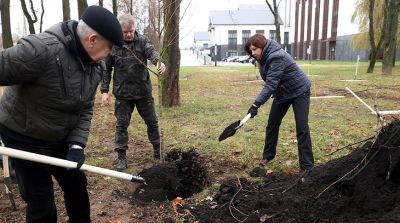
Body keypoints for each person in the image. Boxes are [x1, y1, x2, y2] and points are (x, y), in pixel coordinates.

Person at [0, 6, 123, 223]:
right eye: (110, 47)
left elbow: (85, 108)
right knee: (42, 207)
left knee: (77, 188)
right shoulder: (40, 50)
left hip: (62, 137)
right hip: (24, 138)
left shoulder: (96, 66)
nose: (110, 54)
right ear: (92, 39)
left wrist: (76, 145)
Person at [101, 14, 166, 171]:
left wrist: (158, 61)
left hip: (143, 91)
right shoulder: (113, 45)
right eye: (125, 32)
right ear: (120, 30)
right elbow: (106, 69)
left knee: (152, 122)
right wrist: (104, 91)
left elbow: (151, 52)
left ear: (134, 29)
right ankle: (121, 157)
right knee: (121, 125)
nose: (129, 34)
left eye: (131, 31)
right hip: (123, 94)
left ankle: (158, 149)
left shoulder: (142, 41)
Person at [244, 34, 314, 171]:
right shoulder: (263, 58)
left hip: (300, 90)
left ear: (263, 46)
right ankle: (268, 155)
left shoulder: (277, 56)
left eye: (254, 49)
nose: (253, 53)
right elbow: (272, 82)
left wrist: (255, 104)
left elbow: (270, 84)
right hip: (283, 93)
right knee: (272, 124)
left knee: (302, 127)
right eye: (251, 51)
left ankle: (307, 166)